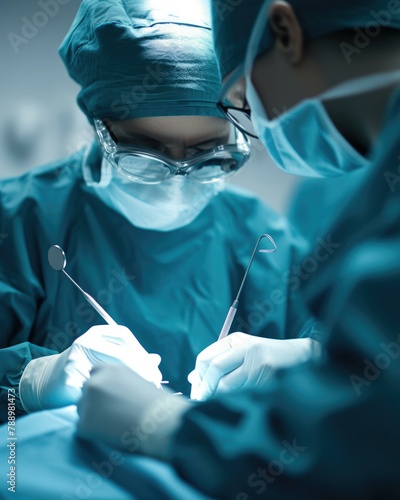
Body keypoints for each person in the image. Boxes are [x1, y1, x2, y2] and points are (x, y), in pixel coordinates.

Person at [76, 0, 400, 498]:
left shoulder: (272, 233)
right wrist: (316, 357)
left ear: (285, 31)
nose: (262, 126)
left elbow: (367, 436)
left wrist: (171, 424)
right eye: (146, 154)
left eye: (243, 100)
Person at [0, 0, 317, 424]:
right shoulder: (19, 221)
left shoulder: (266, 240)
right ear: (99, 128)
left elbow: (365, 378)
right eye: (145, 156)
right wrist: (30, 381)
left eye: (210, 157)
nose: (177, 181)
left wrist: (308, 360)